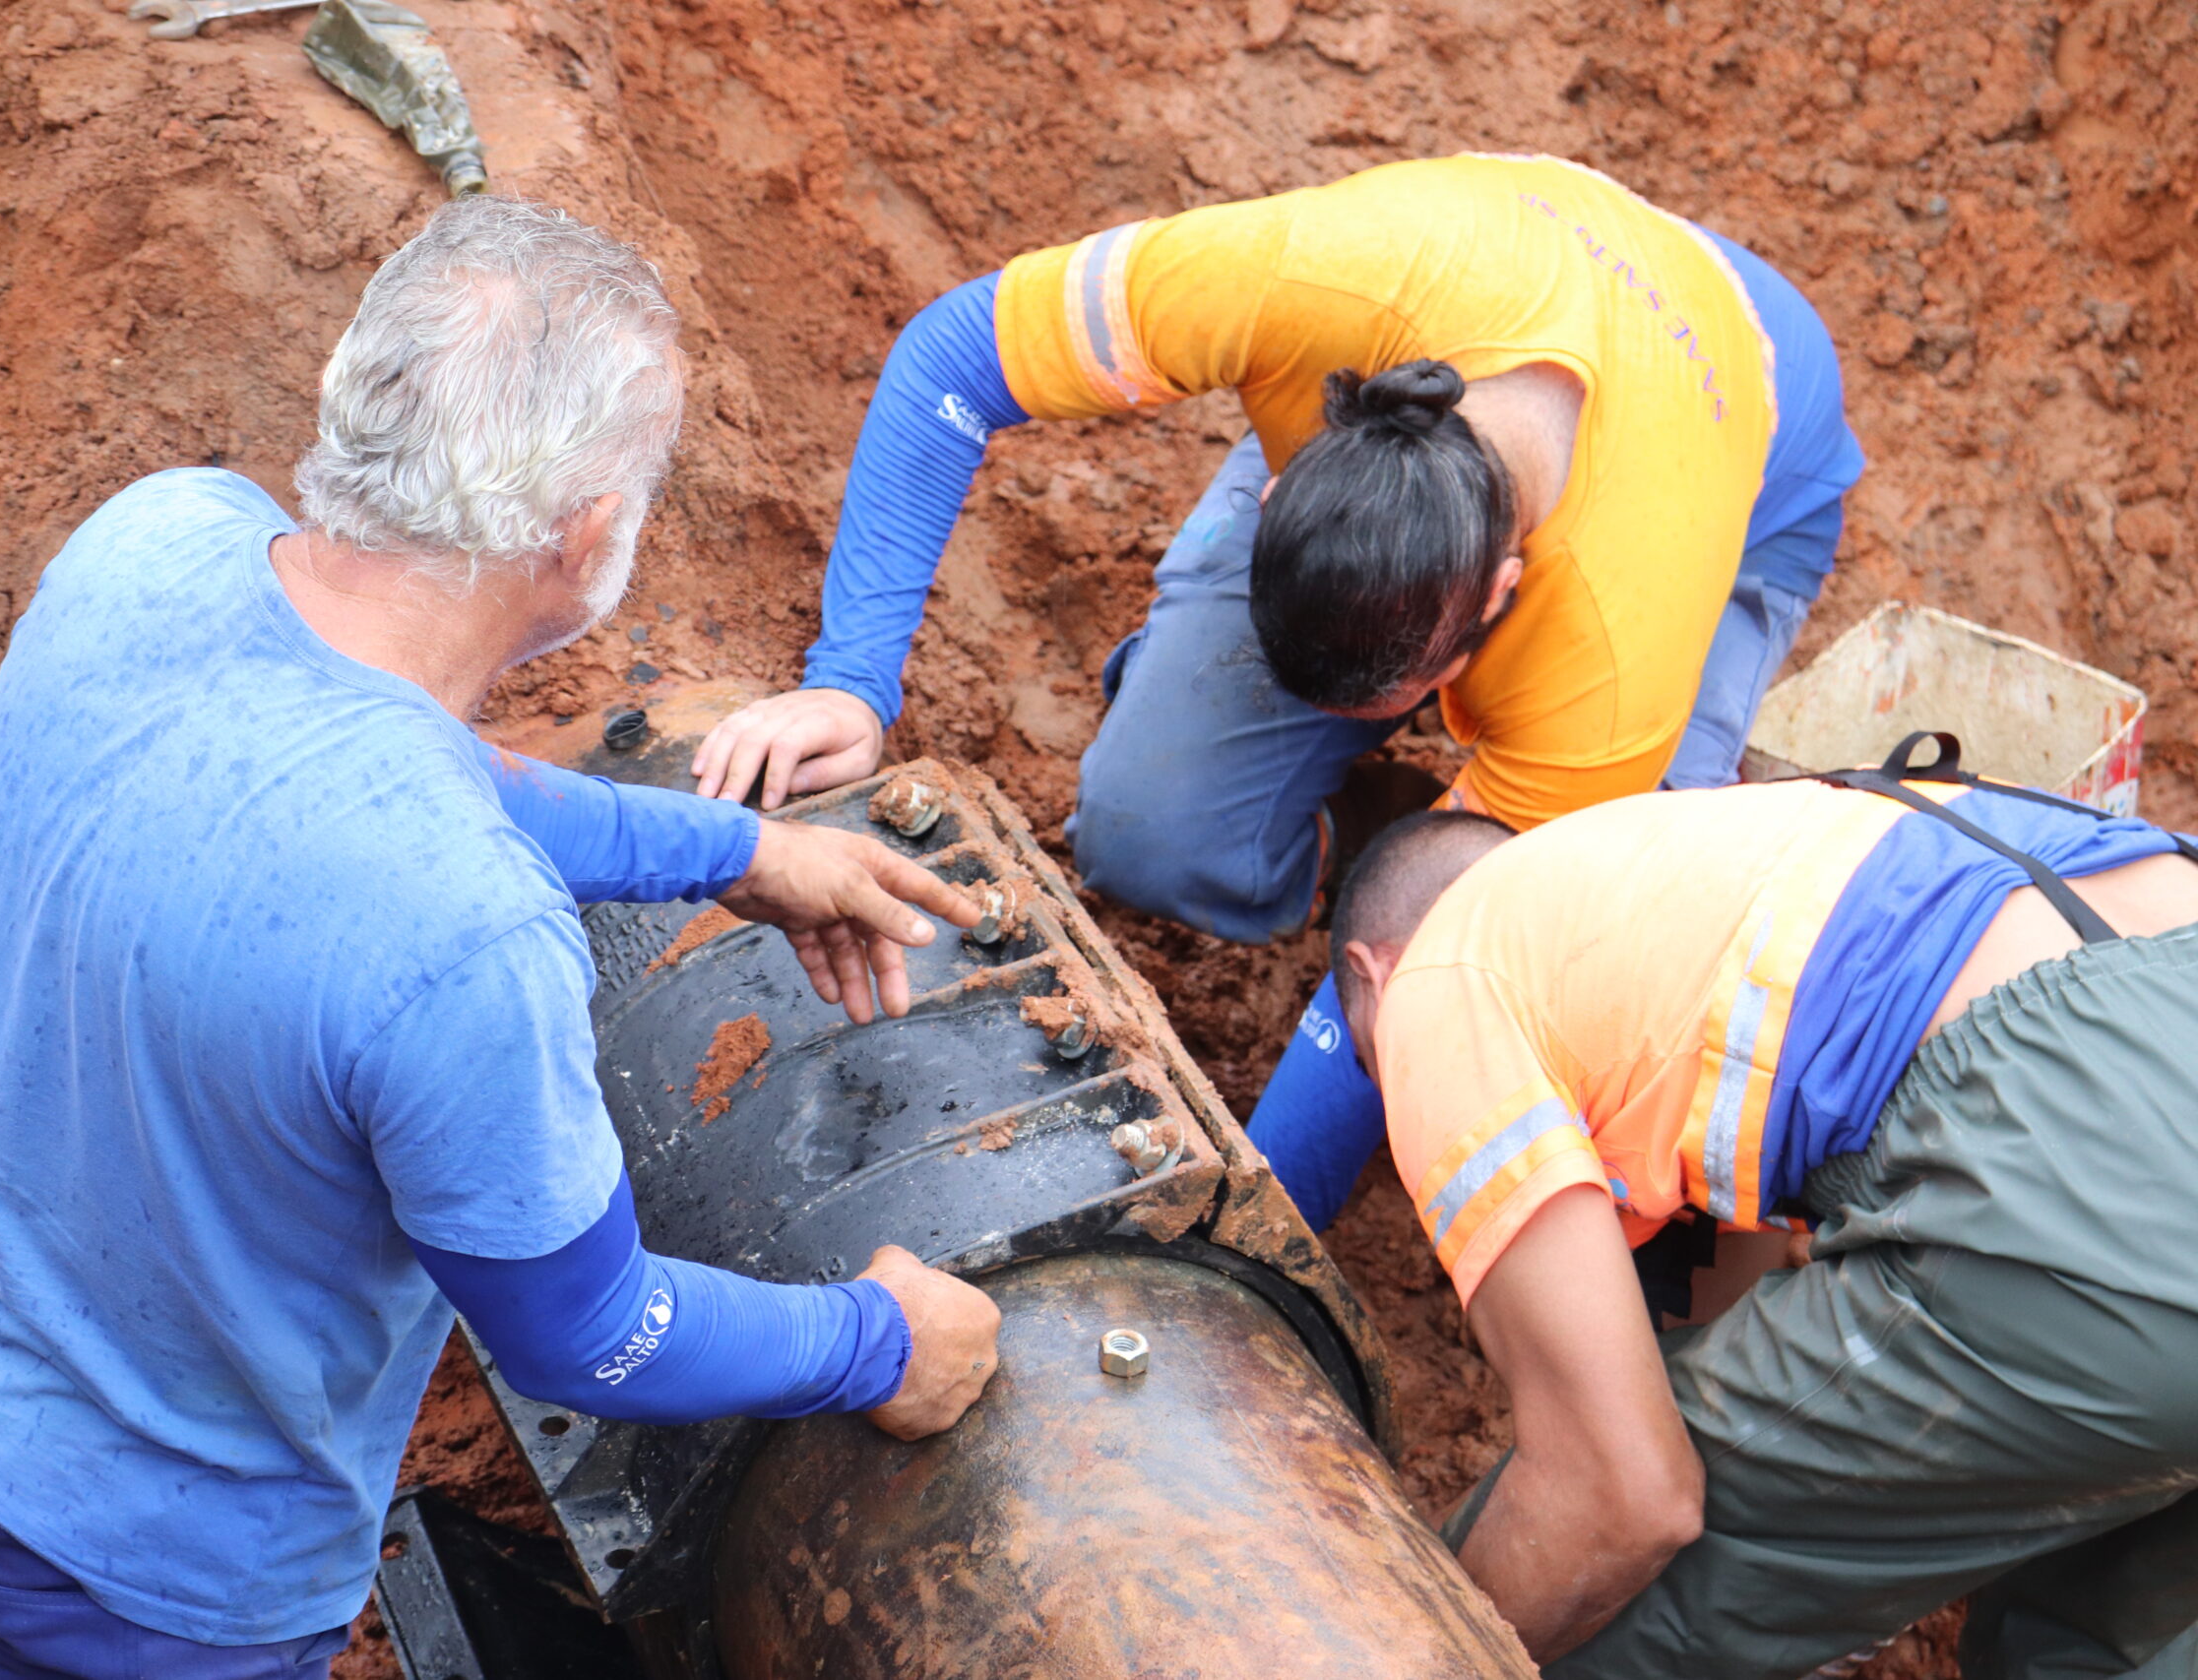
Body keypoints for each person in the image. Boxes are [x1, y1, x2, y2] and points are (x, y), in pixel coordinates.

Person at [0, 197, 1002, 1680]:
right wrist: (877, 1338)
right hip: (148, 1556)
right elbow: (591, 1337)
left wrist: (740, 848)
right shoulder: (465, 935)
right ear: (588, 531)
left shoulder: (156, 538)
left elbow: (408, 767)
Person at [680, 153, 1864, 1229]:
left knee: (1571, 990)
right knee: (1150, 830)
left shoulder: (1610, 656)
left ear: (1499, 600)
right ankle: (1371, 820)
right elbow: (952, 355)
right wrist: (848, 684)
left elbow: (1445, 955)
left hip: (1749, 445)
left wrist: (1255, 1214)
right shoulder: (1301, 289)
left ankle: (1444, 824)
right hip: (1471, 309)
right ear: (1295, 476)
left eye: (1382, 699)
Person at [1326, 741, 2198, 1675]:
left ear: (1372, 971)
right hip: (2153, 1005)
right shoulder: (1736, 865)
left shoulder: (1435, 977)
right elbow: (1729, 1314)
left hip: (2078, 1152)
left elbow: (1623, 1493)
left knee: (1576, 1591)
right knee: (2090, 1632)